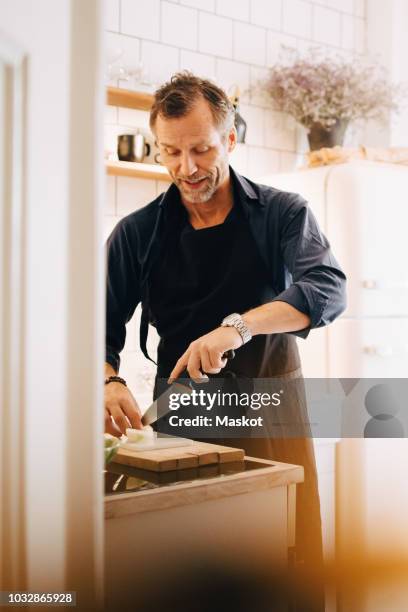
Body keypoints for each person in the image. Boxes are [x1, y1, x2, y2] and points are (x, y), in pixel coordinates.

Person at [104, 71, 347, 610]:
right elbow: (97, 323)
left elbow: (327, 289)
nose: (186, 168)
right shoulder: (136, 233)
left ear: (230, 138)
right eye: (170, 152)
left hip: (270, 409)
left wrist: (238, 326)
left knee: (284, 571)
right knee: (181, 574)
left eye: (201, 149)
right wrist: (109, 379)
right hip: (181, 416)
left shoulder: (283, 213)